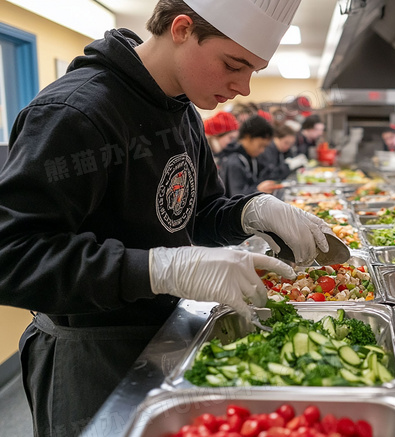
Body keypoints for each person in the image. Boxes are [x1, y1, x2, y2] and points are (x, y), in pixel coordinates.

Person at [0, 1, 337, 434]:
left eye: (253, 70)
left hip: (164, 335)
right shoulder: (76, 112)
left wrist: (251, 211)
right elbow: (11, 255)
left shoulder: (181, 109)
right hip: (88, 353)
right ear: (181, 29)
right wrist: (158, 267)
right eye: (234, 64)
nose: (244, 87)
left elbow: (195, 212)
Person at [220, 115, 283, 196]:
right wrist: (258, 190)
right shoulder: (234, 162)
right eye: (261, 145)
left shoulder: (251, 157)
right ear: (248, 137)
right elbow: (236, 197)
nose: (262, 150)